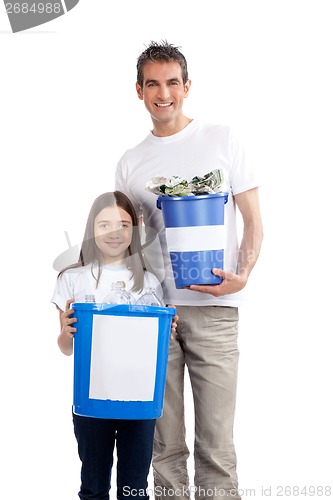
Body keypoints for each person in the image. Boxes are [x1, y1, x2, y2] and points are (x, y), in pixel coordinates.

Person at [115, 41, 264, 500]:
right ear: (138, 90)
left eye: (172, 82)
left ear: (187, 87)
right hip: (157, 313)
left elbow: (254, 220)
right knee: (164, 446)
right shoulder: (130, 163)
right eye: (153, 84)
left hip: (217, 309)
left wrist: (243, 275)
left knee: (217, 446)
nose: (164, 93)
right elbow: (127, 246)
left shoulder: (222, 139)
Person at [51, 191, 177, 500]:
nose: (114, 232)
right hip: (93, 398)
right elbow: (66, 348)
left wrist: (167, 331)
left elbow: (154, 348)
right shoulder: (72, 279)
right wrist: (67, 331)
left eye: (123, 224)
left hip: (139, 399)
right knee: (93, 489)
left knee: (134, 490)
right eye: (104, 224)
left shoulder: (148, 282)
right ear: (91, 229)